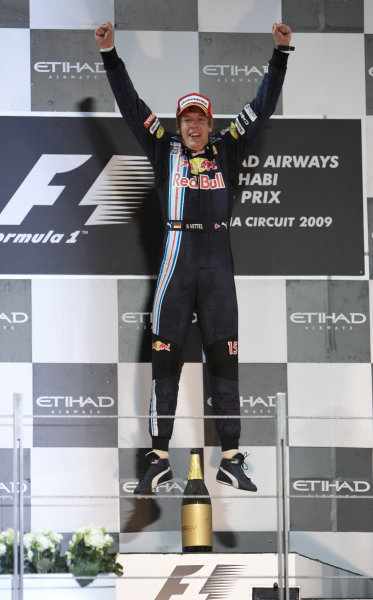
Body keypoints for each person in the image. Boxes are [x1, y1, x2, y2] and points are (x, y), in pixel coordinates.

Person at [95, 21, 292, 494]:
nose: (194, 125)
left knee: (225, 358)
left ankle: (231, 455)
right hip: (176, 257)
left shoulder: (230, 146)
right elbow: (131, 107)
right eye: (187, 119)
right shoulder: (162, 148)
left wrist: (280, 54)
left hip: (218, 262)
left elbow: (261, 107)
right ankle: (158, 456)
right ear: (179, 125)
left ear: (210, 122)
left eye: (201, 118)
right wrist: (110, 55)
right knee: (166, 358)